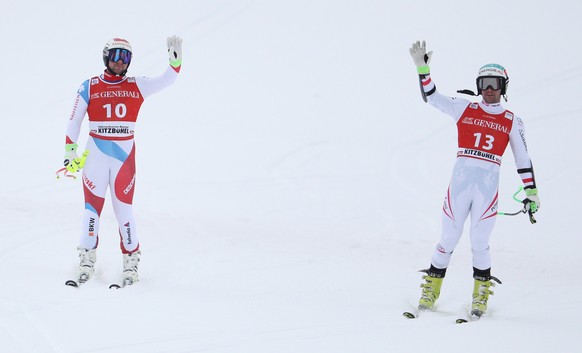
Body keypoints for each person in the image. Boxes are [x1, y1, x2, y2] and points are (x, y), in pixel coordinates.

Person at [408, 40, 540, 317]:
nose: (489, 89)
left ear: (503, 87)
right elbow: (432, 96)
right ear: (478, 86)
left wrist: (531, 193)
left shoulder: (512, 120)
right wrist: (423, 69)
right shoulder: (464, 107)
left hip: (486, 189)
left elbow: (523, 159)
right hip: (460, 186)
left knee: (479, 241)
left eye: (494, 84)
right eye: (484, 83)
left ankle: (480, 296)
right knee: (448, 238)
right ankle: (430, 290)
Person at [61, 36, 183, 285]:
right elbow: (74, 120)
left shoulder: (137, 85)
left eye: (125, 57)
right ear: (106, 58)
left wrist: (175, 62)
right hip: (95, 154)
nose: (120, 61)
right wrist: (69, 152)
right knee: (90, 210)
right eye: (115, 55)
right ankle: (87, 258)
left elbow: (167, 80)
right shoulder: (90, 85)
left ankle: (130, 262)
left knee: (123, 211)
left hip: (123, 159)